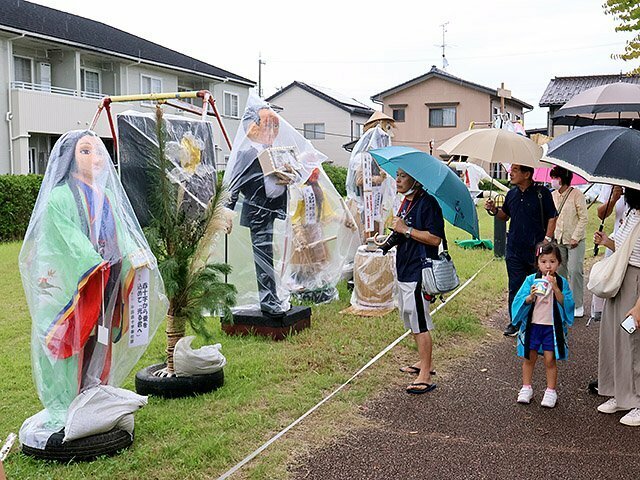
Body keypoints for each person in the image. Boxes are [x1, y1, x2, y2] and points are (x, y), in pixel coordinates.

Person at [18, 131, 166, 431]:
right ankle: (63, 404)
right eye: (85, 151)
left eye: (98, 152)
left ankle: (93, 392)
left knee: (99, 344)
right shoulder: (59, 197)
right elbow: (67, 242)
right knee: (70, 344)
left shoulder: (107, 195)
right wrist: (94, 263)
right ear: (69, 157)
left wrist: (135, 256)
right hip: (78, 287)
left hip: (106, 284)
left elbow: (121, 236)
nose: (95, 158)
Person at [389, 168, 445, 394]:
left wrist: (406, 229)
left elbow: (434, 238)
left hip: (419, 270)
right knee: (409, 316)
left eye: (403, 175)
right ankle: (423, 362)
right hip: (404, 267)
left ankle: (425, 374)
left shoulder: (427, 204)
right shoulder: (406, 202)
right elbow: (403, 233)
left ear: (416, 179)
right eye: (397, 174)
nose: (398, 179)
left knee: (420, 321)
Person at [485, 164, 557, 336]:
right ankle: (515, 321)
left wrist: (546, 240)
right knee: (515, 287)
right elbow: (505, 216)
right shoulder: (512, 194)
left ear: (527, 174)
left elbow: (552, 217)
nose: (511, 173)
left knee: (538, 286)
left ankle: (536, 321)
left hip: (536, 251)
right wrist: (494, 210)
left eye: (515, 170)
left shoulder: (542, 193)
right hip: (514, 249)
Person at [593, 187, 640, 426]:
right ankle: (620, 394)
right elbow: (621, 246)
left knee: (634, 343)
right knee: (614, 337)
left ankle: (637, 400)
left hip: (636, 282)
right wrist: (606, 241)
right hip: (620, 279)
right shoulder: (632, 213)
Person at [511, 242, 574, 408]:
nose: (548, 265)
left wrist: (556, 289)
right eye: (544, 261)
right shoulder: (530, 280)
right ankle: (526, 388)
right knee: (529, 357)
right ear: (537, 263)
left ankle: (551, 390)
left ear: (559, 263)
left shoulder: (561, 282)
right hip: (533, 326)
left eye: (552, 261)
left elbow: (567, 303)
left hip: (551, 328)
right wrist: (529, 298)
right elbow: (519, 301)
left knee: (550, 359)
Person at [549, 166, 588, 318]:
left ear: (562, 179)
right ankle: (562, 302)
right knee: (560, 271)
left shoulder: (577, 195)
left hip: (574, 241)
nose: (553, 181)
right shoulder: (553, 195)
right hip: (558, 239)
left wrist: (576, 237)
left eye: (555, 178)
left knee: (575, 270)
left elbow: (583, 217)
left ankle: (578, 304)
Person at [590, 184, 626, 323]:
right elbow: (601, 213)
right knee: (609, 277)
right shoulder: (612, 182)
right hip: (617, 239)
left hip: (634, 242)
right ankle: (604, 313)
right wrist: (614, 199)